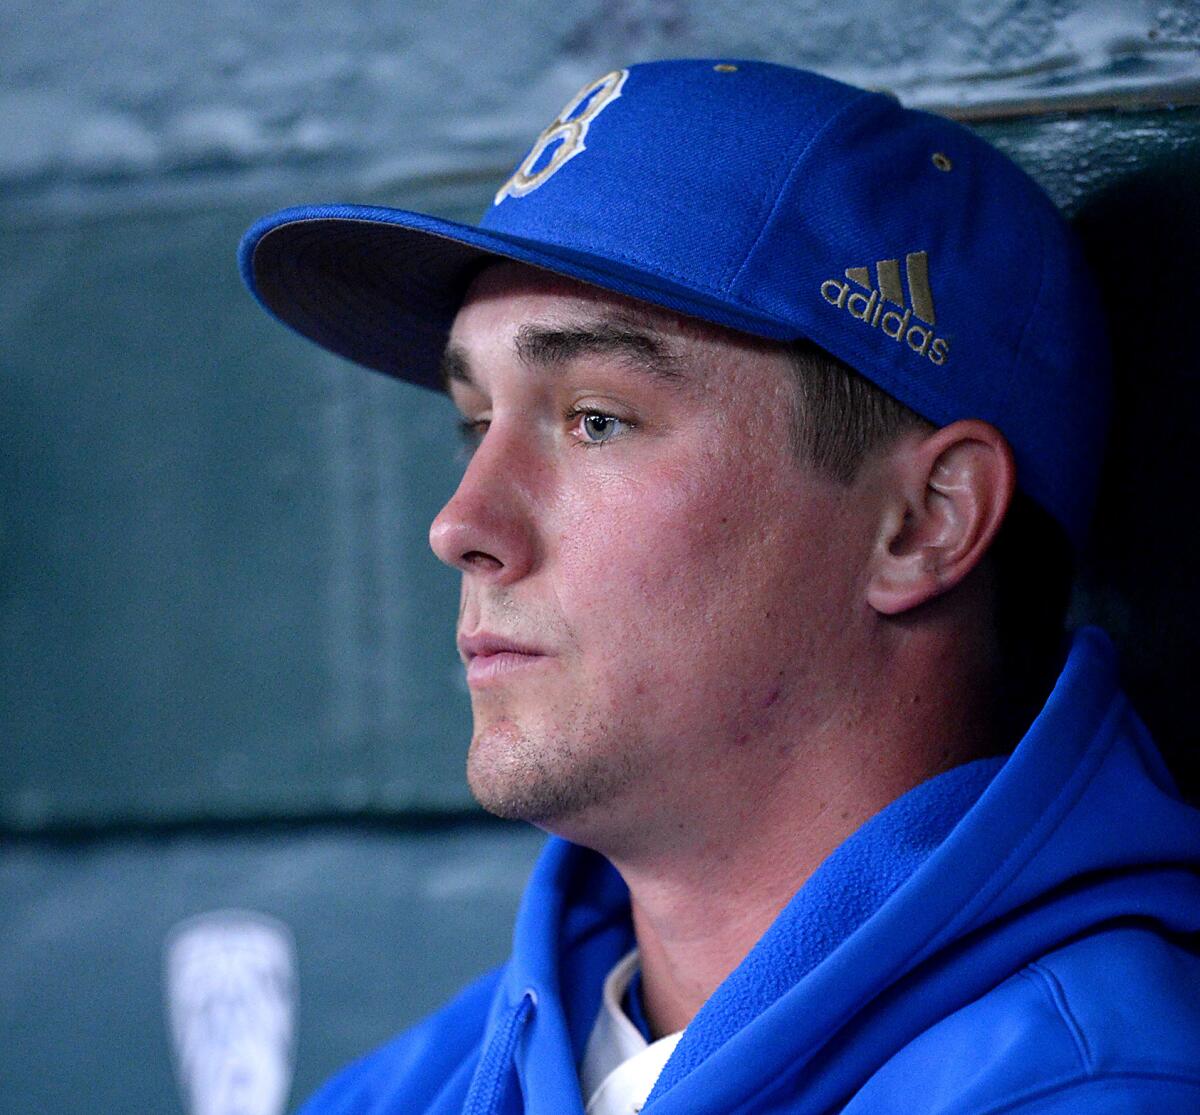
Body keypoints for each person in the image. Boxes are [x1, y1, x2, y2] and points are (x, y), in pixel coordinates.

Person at [239, 59, 1200, 1114]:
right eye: (475, 422)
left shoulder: (1091, 1084)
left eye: (595, 419)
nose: (461, 524)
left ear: (924, 522)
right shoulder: (412, 1088)